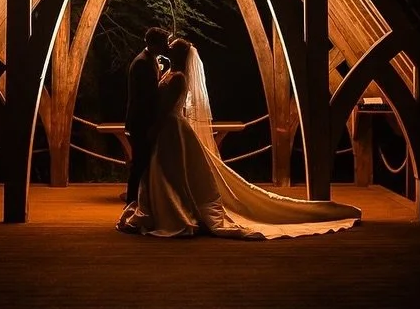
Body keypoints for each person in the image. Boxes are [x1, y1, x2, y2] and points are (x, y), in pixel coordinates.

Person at [117, 37, 362, 239]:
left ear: (180, 54)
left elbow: (166, 107)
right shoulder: (169, 71)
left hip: (170, 128)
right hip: (167, 130)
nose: (167, 47)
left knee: (171, 171)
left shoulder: (179, 78)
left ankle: (175, 212)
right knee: (166, 172)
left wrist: (154, 127)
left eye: (172, 47)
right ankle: (164, 209)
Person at [123, 26, 171, 205]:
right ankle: (132, 202)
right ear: (154, 43)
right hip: (141, 121)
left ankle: (139, 201)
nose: (166, 46)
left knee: (143, 162)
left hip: (142, 120)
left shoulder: (149, 59)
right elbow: (146, 97)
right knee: (139, 164)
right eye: (164, 43)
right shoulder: (143, 63)